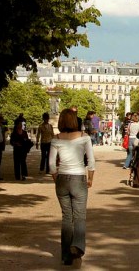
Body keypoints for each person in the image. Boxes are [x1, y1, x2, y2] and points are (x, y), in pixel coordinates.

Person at [49, 108, 96, 265]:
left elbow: (51, 164)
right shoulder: (84, 137)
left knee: (66, 217)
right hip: (78, 178)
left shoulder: (56, 138)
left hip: (62, 178)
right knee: (80, 216)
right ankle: (77, 247)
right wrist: (90, 178)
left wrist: (57, 178)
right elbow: (91, 162)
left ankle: (66, 255)